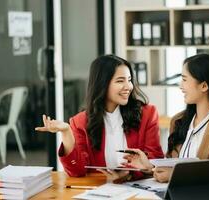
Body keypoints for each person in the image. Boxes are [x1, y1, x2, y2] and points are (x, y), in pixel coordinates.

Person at [35, 55, 164, 180]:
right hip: (101, 190)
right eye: (120, 81)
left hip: (139, 190)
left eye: (129, 80)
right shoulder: (80, 122)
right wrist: (66, 132)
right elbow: (76, 171)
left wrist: (129, 174)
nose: (128, 87)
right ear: (102, 84)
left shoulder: (147, 114)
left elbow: (155, 160)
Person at [125, 53, 209, 182]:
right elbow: (169, 169)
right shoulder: (178, 121)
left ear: (204, 86)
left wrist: (177, 175)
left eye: (184, 79)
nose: (180, 86)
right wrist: (149, 166)